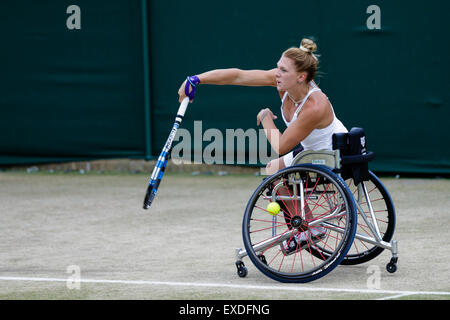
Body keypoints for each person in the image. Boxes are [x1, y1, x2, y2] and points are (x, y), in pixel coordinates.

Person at [178, 38, 348, 176]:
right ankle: (303, 220)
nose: (276, 73)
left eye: (283, 70)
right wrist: (195, 79)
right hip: (311, 152)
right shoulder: (283, 82)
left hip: (334, 155)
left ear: (301, 77)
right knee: (272, 170)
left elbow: (281, 146)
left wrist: (266, 117)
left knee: (276, 171)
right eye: (278, 67)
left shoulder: (314, 106)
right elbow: (238, 76)